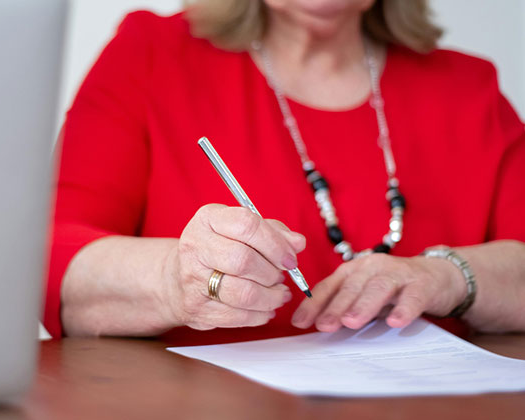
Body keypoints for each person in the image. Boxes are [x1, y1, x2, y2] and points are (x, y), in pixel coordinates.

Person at [44, 0, 525, 339]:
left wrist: (448, 277)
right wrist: (174, 279)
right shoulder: (150, 54)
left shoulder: (469, 88)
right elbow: (52, 263)